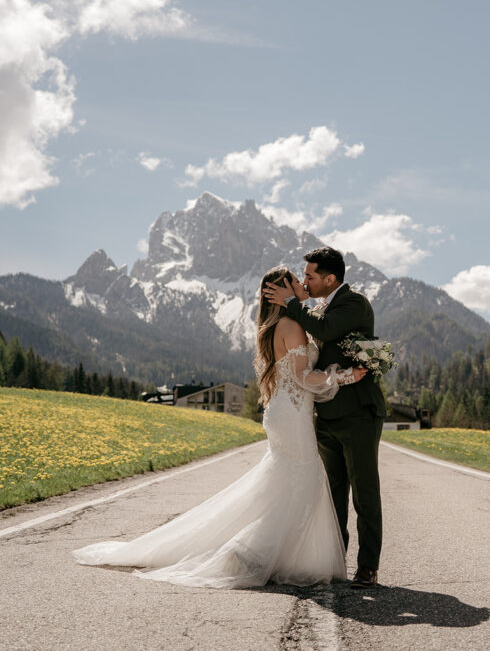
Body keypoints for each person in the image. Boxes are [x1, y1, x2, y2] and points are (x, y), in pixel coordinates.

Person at [72, 266, 365, 588]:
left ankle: (259, 552)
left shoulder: (275, 324)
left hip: (285, 411)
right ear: (281, 291)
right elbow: (301, 377)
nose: (300, 283)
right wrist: (346, 375)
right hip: (292, 413)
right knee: (302, 480)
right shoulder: (291, 324)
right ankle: (245, 553)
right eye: (295, 280)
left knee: (287, 484)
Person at [263, 246, 387, 589]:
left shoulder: (353, 303)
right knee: (333, 496)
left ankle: (368, 567)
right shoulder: (315, 308)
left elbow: (328, 329)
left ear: (330, 279)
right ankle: (335, 560)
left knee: (364, 492)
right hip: (324, 416)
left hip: (359, 413)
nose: (305, 281)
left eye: (310, 276)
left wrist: (291, 303)